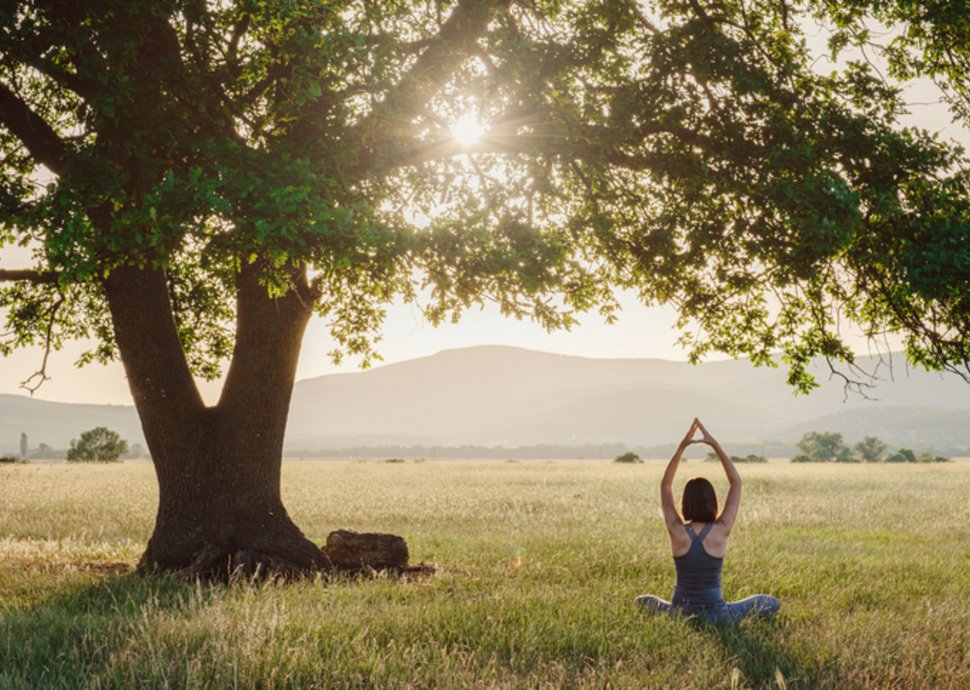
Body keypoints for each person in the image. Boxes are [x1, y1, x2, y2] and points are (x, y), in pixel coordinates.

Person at [635, 418, 779, 624]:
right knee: (770, 602)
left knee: (642, 601)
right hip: (718, 615)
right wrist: (714, 445)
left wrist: (682, 447)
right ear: (713, 502)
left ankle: (676, 613)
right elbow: (736, 483)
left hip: (679, 613)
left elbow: (665, 485)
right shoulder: (722, 529)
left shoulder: (676, 530)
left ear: (685, 503)